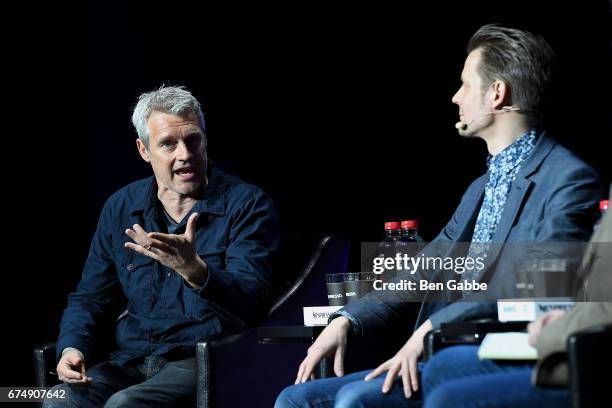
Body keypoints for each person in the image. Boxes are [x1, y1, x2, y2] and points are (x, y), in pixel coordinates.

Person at [275, 24, 602, 408]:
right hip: (441, 348)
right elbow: (422, 271)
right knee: (296, 399)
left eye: (465, 84)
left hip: (494, 357)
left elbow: (530, 284)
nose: (455, 97)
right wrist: (349, 318)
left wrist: (432, 327)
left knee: (354, 401)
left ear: (497, 93)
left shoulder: (569, 180)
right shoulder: (480, 187)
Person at [43, 85, 280, 408]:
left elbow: (253, 303)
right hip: (133, 360)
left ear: (205, 140)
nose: (185, 154)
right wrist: (72, 347)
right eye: (168, 144)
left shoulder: (247, 204)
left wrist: (195, 270)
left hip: (205, 361)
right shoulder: (121, 207)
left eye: (193, 140)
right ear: (144, 150)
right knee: (59, 399)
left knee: (124, 405)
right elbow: (90, 297)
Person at [421, 184, 612, 408]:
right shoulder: (479, 186)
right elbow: (424, 265)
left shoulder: (568, 178)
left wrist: (555, 330)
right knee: (442, 365)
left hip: (588, 357)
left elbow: (526, 279)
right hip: (573, 332)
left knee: (446, 398)